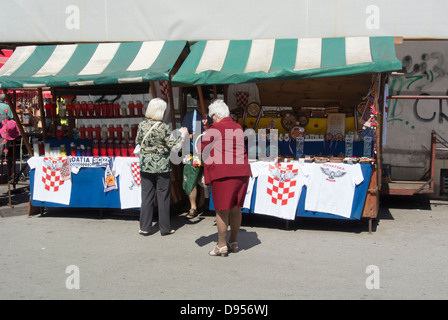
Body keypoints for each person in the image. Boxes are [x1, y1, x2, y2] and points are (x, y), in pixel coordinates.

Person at [199, 100, 252, 256]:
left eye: (211, 117)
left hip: (224, 174)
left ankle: (222, 245)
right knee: (236, 209)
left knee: (222, 211)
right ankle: (233, 242)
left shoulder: (214, 129)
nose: (211, 119)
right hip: (242, 172)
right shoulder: (238, 127)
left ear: (215, 115)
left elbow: (201, 149)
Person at [136, 98, 188, 236]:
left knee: (146, 197)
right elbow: (175, 147)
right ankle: (164, 228)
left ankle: (144, 227)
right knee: (163, 197)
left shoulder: (142, 125)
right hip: (162, 166)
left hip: (145, 165)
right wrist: (182, 135)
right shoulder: (163, 127)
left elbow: (138, 142)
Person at [181, 92, 212, 219]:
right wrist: (194, 135)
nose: (199, 104)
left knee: (205, 181)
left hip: (210, 154)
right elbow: (183, 134)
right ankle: (193, 207)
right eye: (198, 102)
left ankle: (203, 203)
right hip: (194, 154)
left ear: (208, 102)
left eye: (202, 102)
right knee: (192, 179)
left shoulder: (212, 116)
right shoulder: (190, 116)